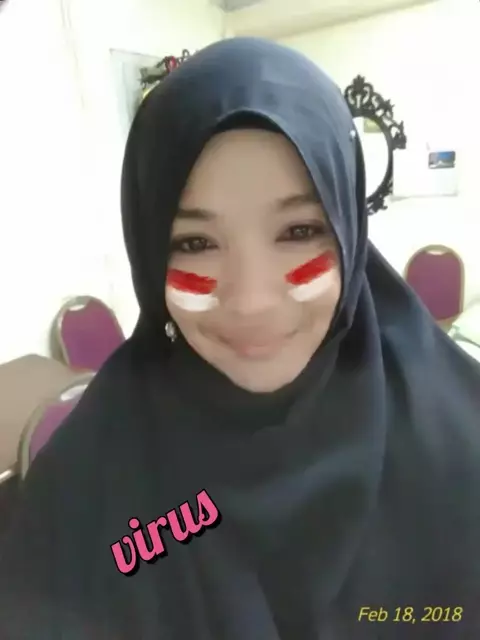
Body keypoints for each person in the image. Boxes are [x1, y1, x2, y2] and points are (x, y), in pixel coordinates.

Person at [1, 37, 479, 640]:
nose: (252, 301)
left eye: (298, 230)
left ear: (349, 231)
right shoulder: (83, 485)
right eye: (195, 243)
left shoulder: (460, 442)